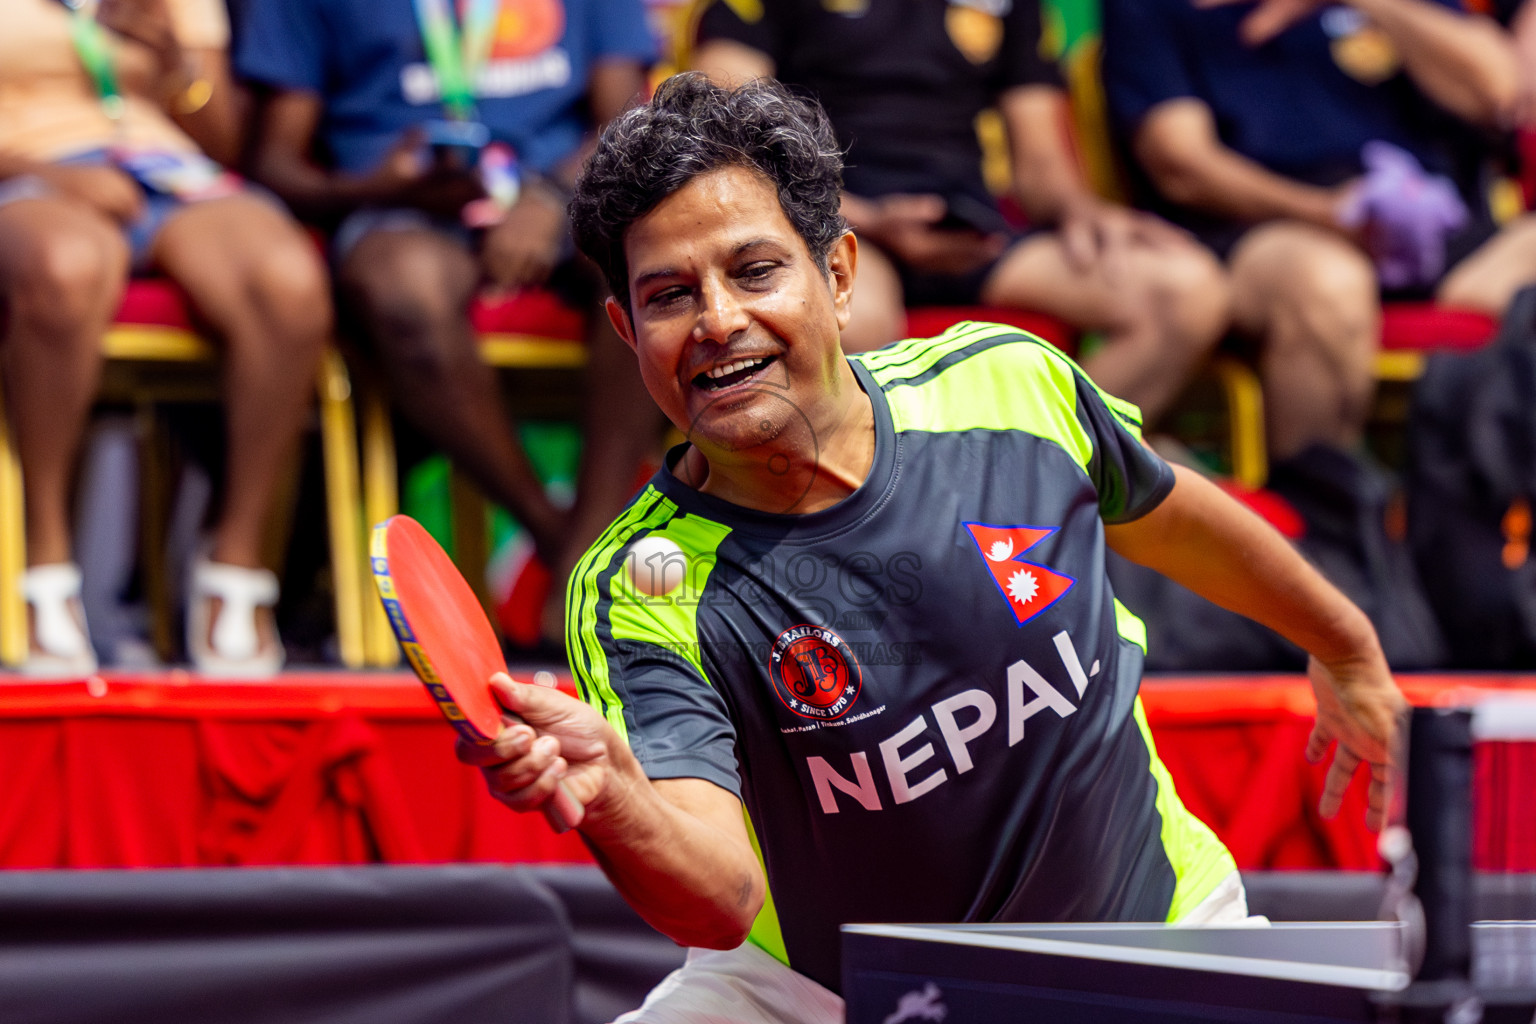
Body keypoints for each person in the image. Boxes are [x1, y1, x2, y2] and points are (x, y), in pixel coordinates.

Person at [453, 74, 1407, 1023]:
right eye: (669, 295)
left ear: (838, 275)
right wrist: (618, 798)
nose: (717, 321)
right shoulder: (642, 584)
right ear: (627, 331)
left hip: (1152, 936)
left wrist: (1345, 644)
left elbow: (1175, 519)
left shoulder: (1005, 388)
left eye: (754, 271)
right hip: (825, 996)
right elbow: (720, 899)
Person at [234, 0, 665, 651]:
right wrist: (379, 188)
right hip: (399, 209)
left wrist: (552, 197)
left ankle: (579, 557)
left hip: (566, 191)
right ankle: (576, 555)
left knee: (647, 270)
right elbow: (275, 162)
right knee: (402, 289)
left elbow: (628, 120)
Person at [687, 0, 1231, 426]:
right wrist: (871, 220)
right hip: (833, 221)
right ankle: (877, 503)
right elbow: (731, 135)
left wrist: (1081, 209)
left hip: (968, 230)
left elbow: (1040, 163)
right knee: (850, 319)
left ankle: (1031, 480)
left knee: (1186, 293)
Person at [0, 0, 331, 677]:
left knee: (288, 285)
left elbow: (223, 141)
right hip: (28, 172)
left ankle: (237, 562)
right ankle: (45, 559)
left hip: (167, 173)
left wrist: (176, 64)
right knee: (66, 269)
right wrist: (52, 174)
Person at [1100, 0, 1536, 464]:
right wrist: (1327, 214)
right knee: (1328, 282)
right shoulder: (1152, 8)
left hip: (1436, 238)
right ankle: (1320, 504)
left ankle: (1476, 499)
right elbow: (1181, 165)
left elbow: (1500, 90)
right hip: (1267, 231)